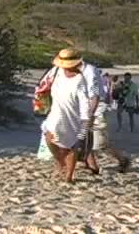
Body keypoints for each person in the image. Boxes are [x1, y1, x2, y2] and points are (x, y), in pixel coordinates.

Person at [42, 48, 92, 183]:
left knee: (71, 146)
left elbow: (83, 101)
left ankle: (69, 176)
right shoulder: (57, 72)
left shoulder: (80, 79)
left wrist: (86, 118)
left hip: (72, 115)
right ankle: (61, 162)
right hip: (56, 113)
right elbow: (45, 85)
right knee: (49, 138)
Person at [82, 66, 131, 174]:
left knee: (100, 143)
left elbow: (98, 97)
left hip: (98, 111)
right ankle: (89, 164)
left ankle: (123, 160)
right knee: (85, 141)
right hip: (88, 111)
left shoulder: (92, 79)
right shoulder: (81, 78)